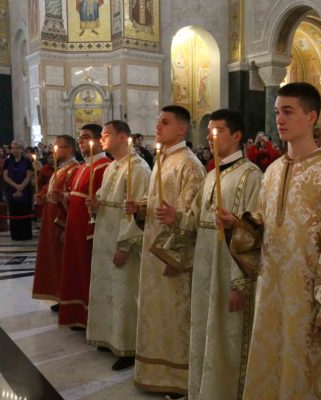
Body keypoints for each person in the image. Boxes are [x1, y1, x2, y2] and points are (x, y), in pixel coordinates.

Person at [218, 82, 321, 399]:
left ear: (311, 117)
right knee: (273, 367)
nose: (279, 120)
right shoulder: (271, 172)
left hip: (310, 299)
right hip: (272, 292)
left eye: (287, 112)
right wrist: (239, 226)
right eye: (276, 112)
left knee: (307, 374)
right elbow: (266, 226)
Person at [157, 109, 263, 400]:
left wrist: (240, 285)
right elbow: (194, 219)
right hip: (204, 273)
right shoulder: (210, 174)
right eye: (208, 132)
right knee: (205, 334)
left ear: (237, 135)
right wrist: (176, 218)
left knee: (227, 339)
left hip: (229, 273)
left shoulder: (251, 176)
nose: (209, 136)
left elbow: (255, 236)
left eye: (217, 131)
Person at [126, 106, 205, 395]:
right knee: (155, 313)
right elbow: (158, 203)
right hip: (153, 253)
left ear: (182, 129)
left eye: (165, 122)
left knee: (174, 317)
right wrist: (140, 208)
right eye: (158, 121)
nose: (157, 127)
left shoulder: (190, 165)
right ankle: (153, 371)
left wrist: (177, 256)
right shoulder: (163, 159)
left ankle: (178, 378)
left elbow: (192, 215)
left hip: (172, 256)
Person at [85, 120, 151, 371]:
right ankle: (108, 337)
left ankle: (128, 347)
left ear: (123, 137)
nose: (101, 139)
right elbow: (105, 198)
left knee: (125, 292)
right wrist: (96, 204)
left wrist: (125, 245)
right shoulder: (112, 166)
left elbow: (138, 210)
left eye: (106, 135)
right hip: (105, 235)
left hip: (123, 240)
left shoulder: (138, 168)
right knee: (108, 289)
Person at [57, 124, 111, 330]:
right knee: (76, 270)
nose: (81, 142)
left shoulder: (105, 166)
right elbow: (76, 197)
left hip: (90, 229)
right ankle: (77, 314)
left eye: (86, 137)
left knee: (87, 270)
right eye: (79, 138)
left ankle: (90, 317)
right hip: (75, 226)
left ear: (99, 141)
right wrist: (63, 196)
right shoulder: (82, 167)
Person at [32, 135, 80, 308]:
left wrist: (63, 197)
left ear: (69, 149)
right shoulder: (59, 169)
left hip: (62, 221)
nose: (54, 150)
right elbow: (50, 190)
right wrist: (42, 197)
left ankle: (67, 298)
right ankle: (59, 295)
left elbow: (76, 196)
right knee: (53, 259)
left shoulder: (76, 169)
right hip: (50, 220)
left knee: (63, 260)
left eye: (58, 147)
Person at [3, 141, 34, 240]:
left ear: (21, 149)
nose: (14, 150)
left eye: (17, 148)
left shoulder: (27, 161)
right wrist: (16, 187)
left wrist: (21, 187)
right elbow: (5, 176)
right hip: (12, 189)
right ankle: (16, 235)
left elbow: (29, 175)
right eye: (13, 148)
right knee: (14, 212)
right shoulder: (7, 161)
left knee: (24, 212)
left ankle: (25, 235)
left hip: (25, 190)